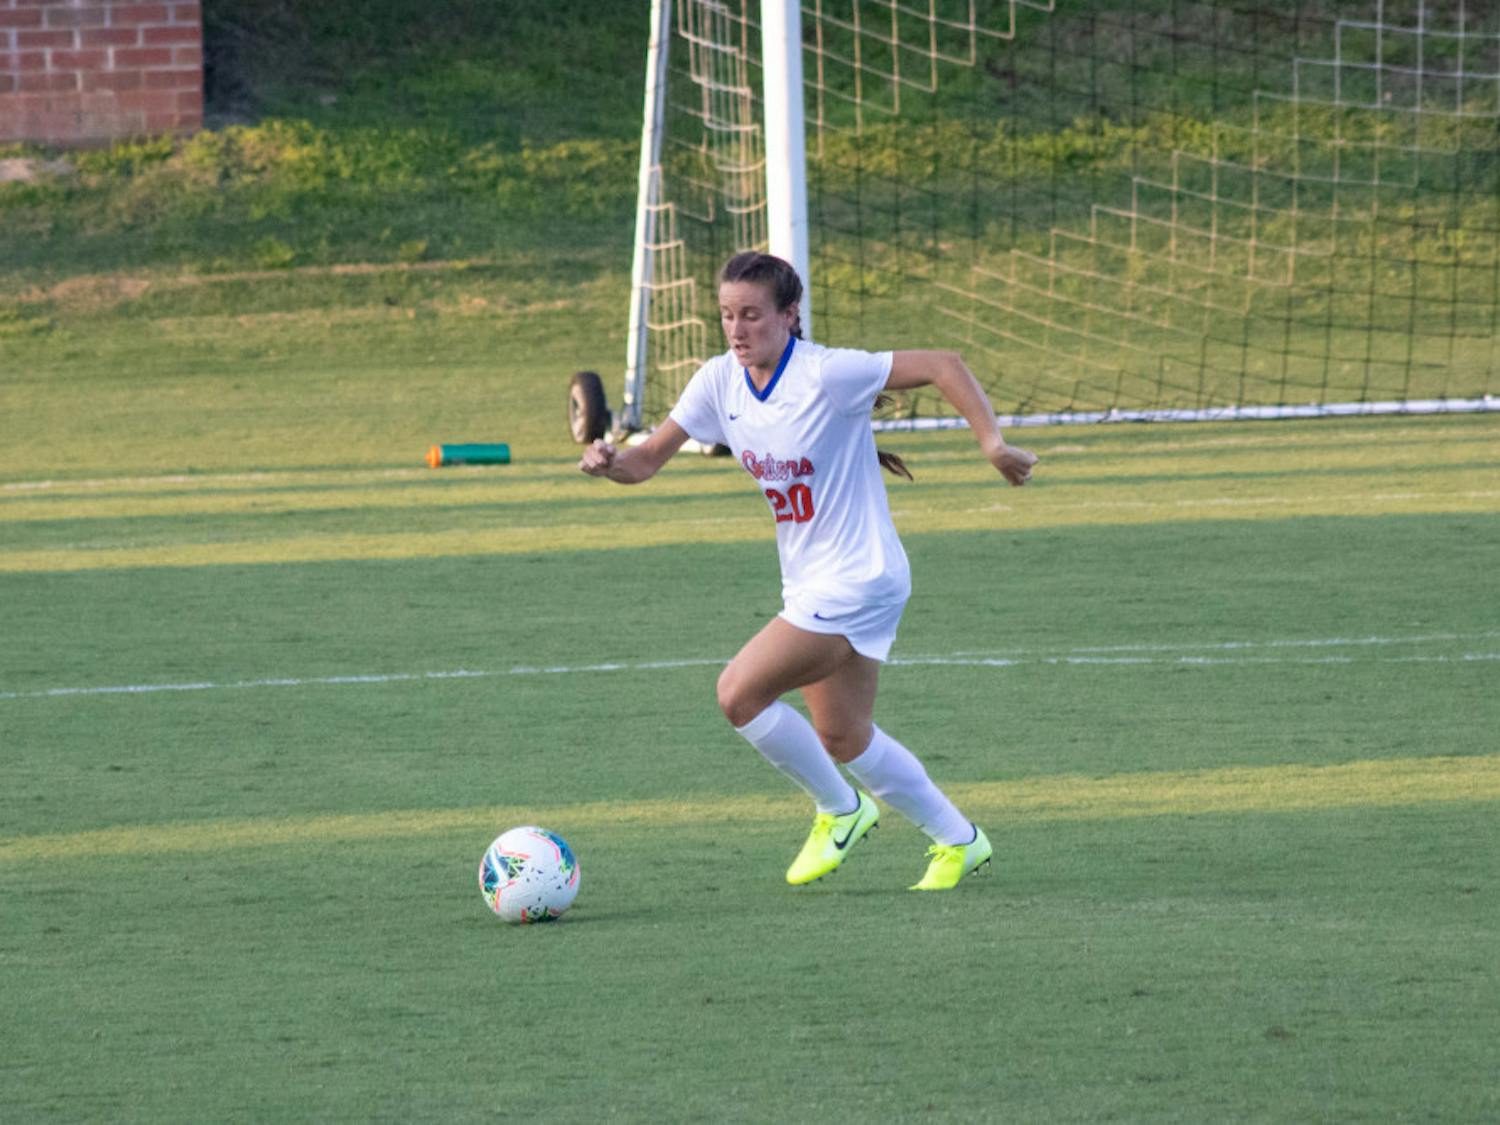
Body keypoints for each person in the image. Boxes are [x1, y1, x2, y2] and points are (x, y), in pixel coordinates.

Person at [580, 251, 1038, 891]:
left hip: (860, 579)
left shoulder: (827, 373)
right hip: (811, 582)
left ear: (790, 315)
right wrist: (609, 463)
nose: (737, 329)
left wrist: (992, 443)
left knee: (738, 693)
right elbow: (646, 461)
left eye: (752, 315)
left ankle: (840, 810)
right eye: (727, 315)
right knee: (844, 736)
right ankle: (959, 840)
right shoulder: (718, 382)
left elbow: (943, 364)